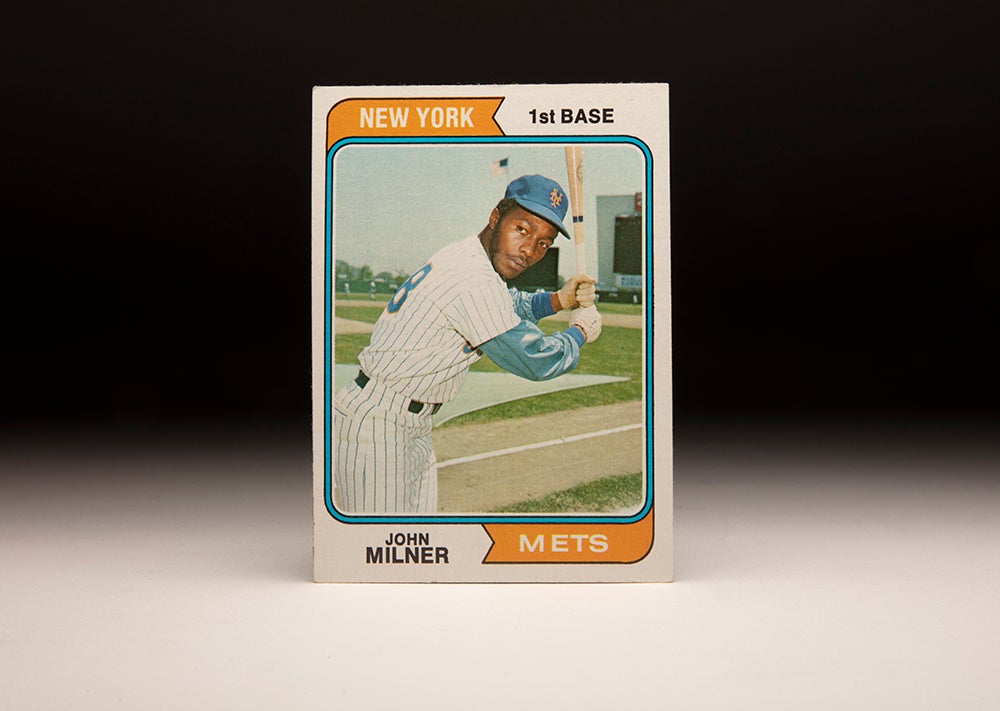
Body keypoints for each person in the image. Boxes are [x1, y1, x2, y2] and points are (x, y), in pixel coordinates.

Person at [334, 174, 602, 513]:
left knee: (418, 537)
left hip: (406, 422)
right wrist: (580, 331)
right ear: (495, 217)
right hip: (377, 425)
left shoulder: (469, 257)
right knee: (384, 540)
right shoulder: (473, 279)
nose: (529, 250)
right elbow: (534, 359)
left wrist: (560, 300)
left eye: (543, 244)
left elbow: (508, 304)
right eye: (522, 229)